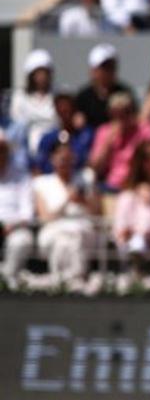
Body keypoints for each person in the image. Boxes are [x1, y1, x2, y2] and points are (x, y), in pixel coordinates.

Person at [33, 143, 100, 284]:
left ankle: (62, 282)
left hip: (82, 229)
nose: (65, 162)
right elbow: (45, 217)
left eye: (68, 158)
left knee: (73, 238)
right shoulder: (41, 183)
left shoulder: (87, 178)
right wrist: (66, 200)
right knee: (65, 240)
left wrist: (83, 201)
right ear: (52, 159)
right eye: (61, 158)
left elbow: (97, 213)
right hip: (53, 230)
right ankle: (74, 281)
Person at [89, 92, 150, 193]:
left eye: (125, 113)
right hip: (111, 186)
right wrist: (107, 143)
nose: (121, 119)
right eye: (116, 114)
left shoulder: (144, 130)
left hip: (136, 186)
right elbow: (95, 167)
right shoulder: (104, 131)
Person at [75, 44, 135, 130]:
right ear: (93, 70)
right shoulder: (83, 97)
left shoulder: (125, 93)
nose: (109, 71)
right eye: (104, 67)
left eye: (111, 66)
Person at [10, 49, 58, 153]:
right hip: (26, 150)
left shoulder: (58, 95)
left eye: (45, 72)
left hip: (53, 148)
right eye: (38, 73)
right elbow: (17, 127)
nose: (42, 77)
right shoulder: (20, 97)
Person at [0, 141, 35, 285]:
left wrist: (10, 226)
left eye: (2, 150)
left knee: (21, 241)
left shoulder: (22, 176)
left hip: (14, 228)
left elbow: (28, 214)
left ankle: (7, 282)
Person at [34, 95, 94, 175]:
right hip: (53, 179)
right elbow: (39, 166)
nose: (64, 115)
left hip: (76, 177)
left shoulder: (84, 135)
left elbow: (85, 159)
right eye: (61, 111)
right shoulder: (48, 138)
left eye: (67, 110)